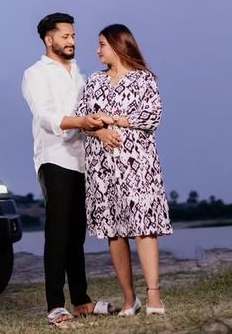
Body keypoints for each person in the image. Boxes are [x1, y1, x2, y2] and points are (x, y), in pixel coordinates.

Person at [75, 23, 172, 316]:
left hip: (139, 166)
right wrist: (100, 132)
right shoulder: (93, 81)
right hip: (103, 170)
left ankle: (153, 296)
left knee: (144, 228)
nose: (97, 50)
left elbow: (152, 116)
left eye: (101, 44)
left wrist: (112, 119)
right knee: (115, 233)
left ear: (118, 45)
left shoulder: (144, 80)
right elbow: (82, 119)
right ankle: (130, 299)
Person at [22, 12, 113, 326]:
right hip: (54, 158)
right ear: (49, 40)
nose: (72, 41)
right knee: (57, 233)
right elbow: (46, 117)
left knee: (76, 235)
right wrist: (83, 122)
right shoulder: (35, 73)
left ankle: (82, 301)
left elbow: (88, 114)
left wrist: (98, 128)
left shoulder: (79, 74)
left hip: (82, 161)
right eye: (65, 36)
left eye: (73, 36)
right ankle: (55, 305)